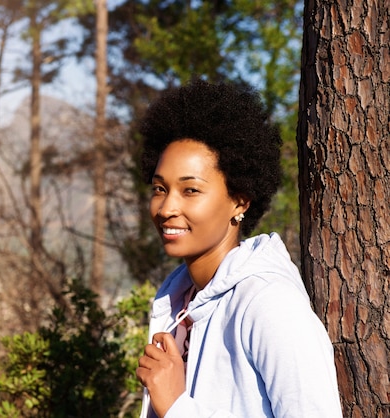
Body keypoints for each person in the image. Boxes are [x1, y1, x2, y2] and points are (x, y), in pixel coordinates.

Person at [135, 79, 342, 418]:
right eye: (160, 188)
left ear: (239, 201)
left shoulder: (269, 304)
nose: (166, 207)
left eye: (190, 191)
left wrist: (175, 406)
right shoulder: (176, 297)